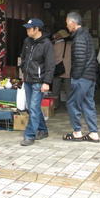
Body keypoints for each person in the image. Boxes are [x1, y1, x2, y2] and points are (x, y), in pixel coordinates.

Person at [64, 12, 99, 142]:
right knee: (88, 104)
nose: (67, 27)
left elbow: (79, 59)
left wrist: (75, 77)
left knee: (73, 103)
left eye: (67, 24)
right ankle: (93, 133)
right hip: (90, 77)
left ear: (73, 23)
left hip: (82, 77)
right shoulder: (87, 35)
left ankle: (77, 132)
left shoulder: (79, 38)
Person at [19, 18, 55, 146]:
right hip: (28, 79)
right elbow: (23, 57)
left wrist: (47, 82)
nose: (27, 30)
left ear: (37, 29)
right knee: (32, 108)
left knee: (33, 108)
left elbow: (50, 65)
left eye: (29, 28)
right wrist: (23, 70)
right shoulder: (27, 41)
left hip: (39, 81)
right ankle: (43, 130)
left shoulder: (46, 44)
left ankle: (29, 136)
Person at [51, 29, 71, 106]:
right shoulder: (70, 46)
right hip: (67, 69)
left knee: (55, 89)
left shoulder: (54, 46)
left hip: (57, 70)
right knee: (68, 89)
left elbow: (51, 58)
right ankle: (69, 106)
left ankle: (55, 105)